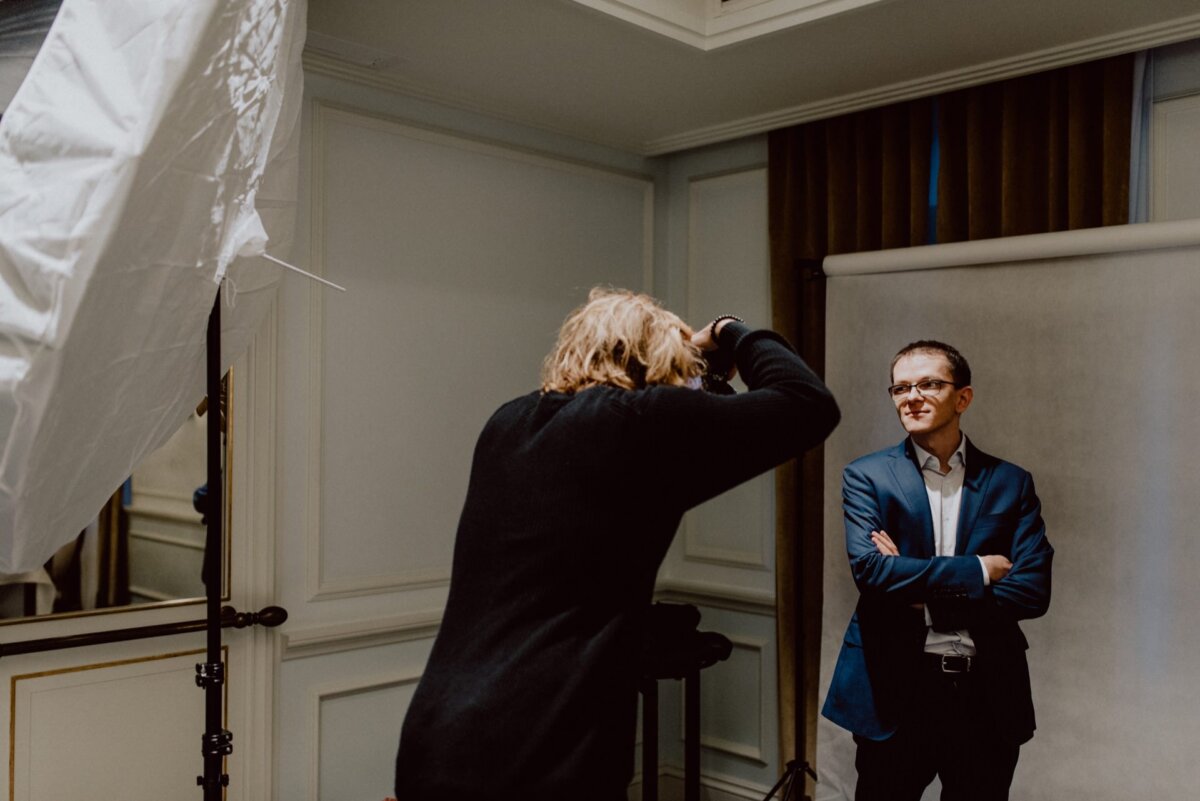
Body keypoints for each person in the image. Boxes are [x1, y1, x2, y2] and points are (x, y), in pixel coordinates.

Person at [393, 287, 839, 801]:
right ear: (656, 360)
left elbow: (705, 438)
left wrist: (706, 378)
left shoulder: (508, 423)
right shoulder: (640, 425)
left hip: (439, 728)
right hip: (545, 737)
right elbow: (807, 405)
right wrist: (727, 331)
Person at [822, 340, 1053, 801]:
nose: (912, 397)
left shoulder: (1011, 482)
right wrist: (980, 570)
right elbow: (872, 573)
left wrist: (922, 598)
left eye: (929, 384)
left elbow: (1032, 591)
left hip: (985, 695)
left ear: (962, 397)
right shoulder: (867, 477)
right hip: (895, 692)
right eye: (901, 387)